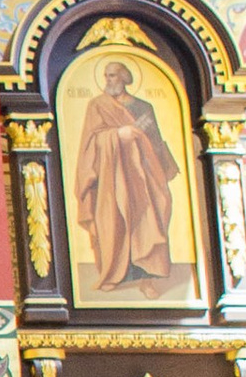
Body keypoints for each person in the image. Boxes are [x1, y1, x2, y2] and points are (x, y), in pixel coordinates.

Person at [69, 53, 182, 293]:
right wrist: (117, 135)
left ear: (123, 78)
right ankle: (113, 274)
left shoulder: (143, 107)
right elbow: (90, 142)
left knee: (148, 220)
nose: (108, 80)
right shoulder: (98, 105)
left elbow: (155, 141)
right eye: (106, 76)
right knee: (114, 223)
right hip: (111, 179)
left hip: (142, 177)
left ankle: (147, 279)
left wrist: (163, 166)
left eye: (112, 75)